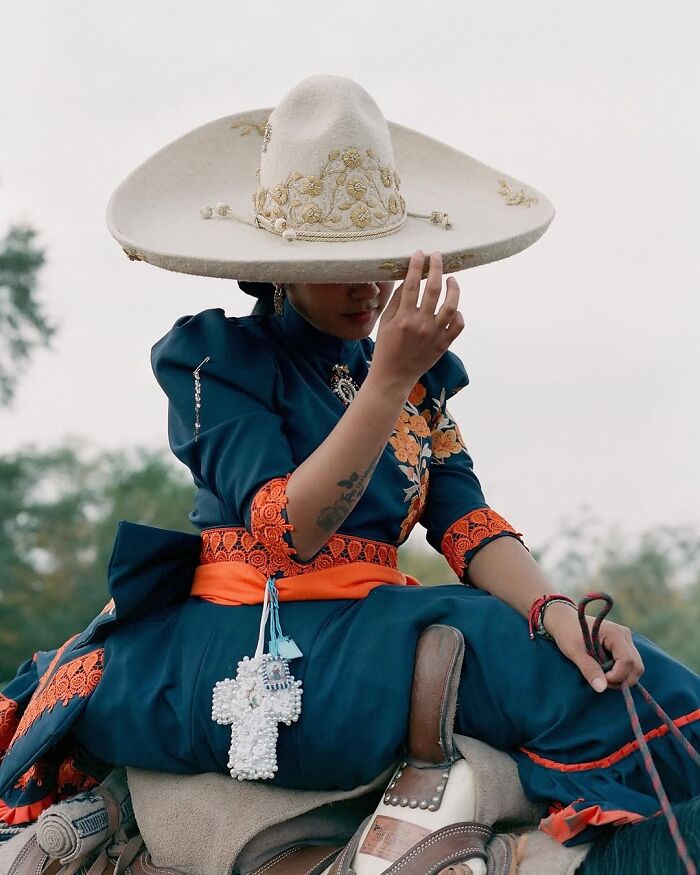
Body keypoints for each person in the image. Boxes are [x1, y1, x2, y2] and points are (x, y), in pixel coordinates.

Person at [0, 74, 698, 852]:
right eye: (343, 262)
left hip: (367, 620)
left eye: (383, 258)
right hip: (256, 630)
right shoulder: (220, 358)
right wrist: (389, 377)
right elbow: (285, 529)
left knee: (622, 673)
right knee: (475, 634)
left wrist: (557, 611)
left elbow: (466, 523)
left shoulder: (419, 378)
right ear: (277, 262)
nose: (370, 284)